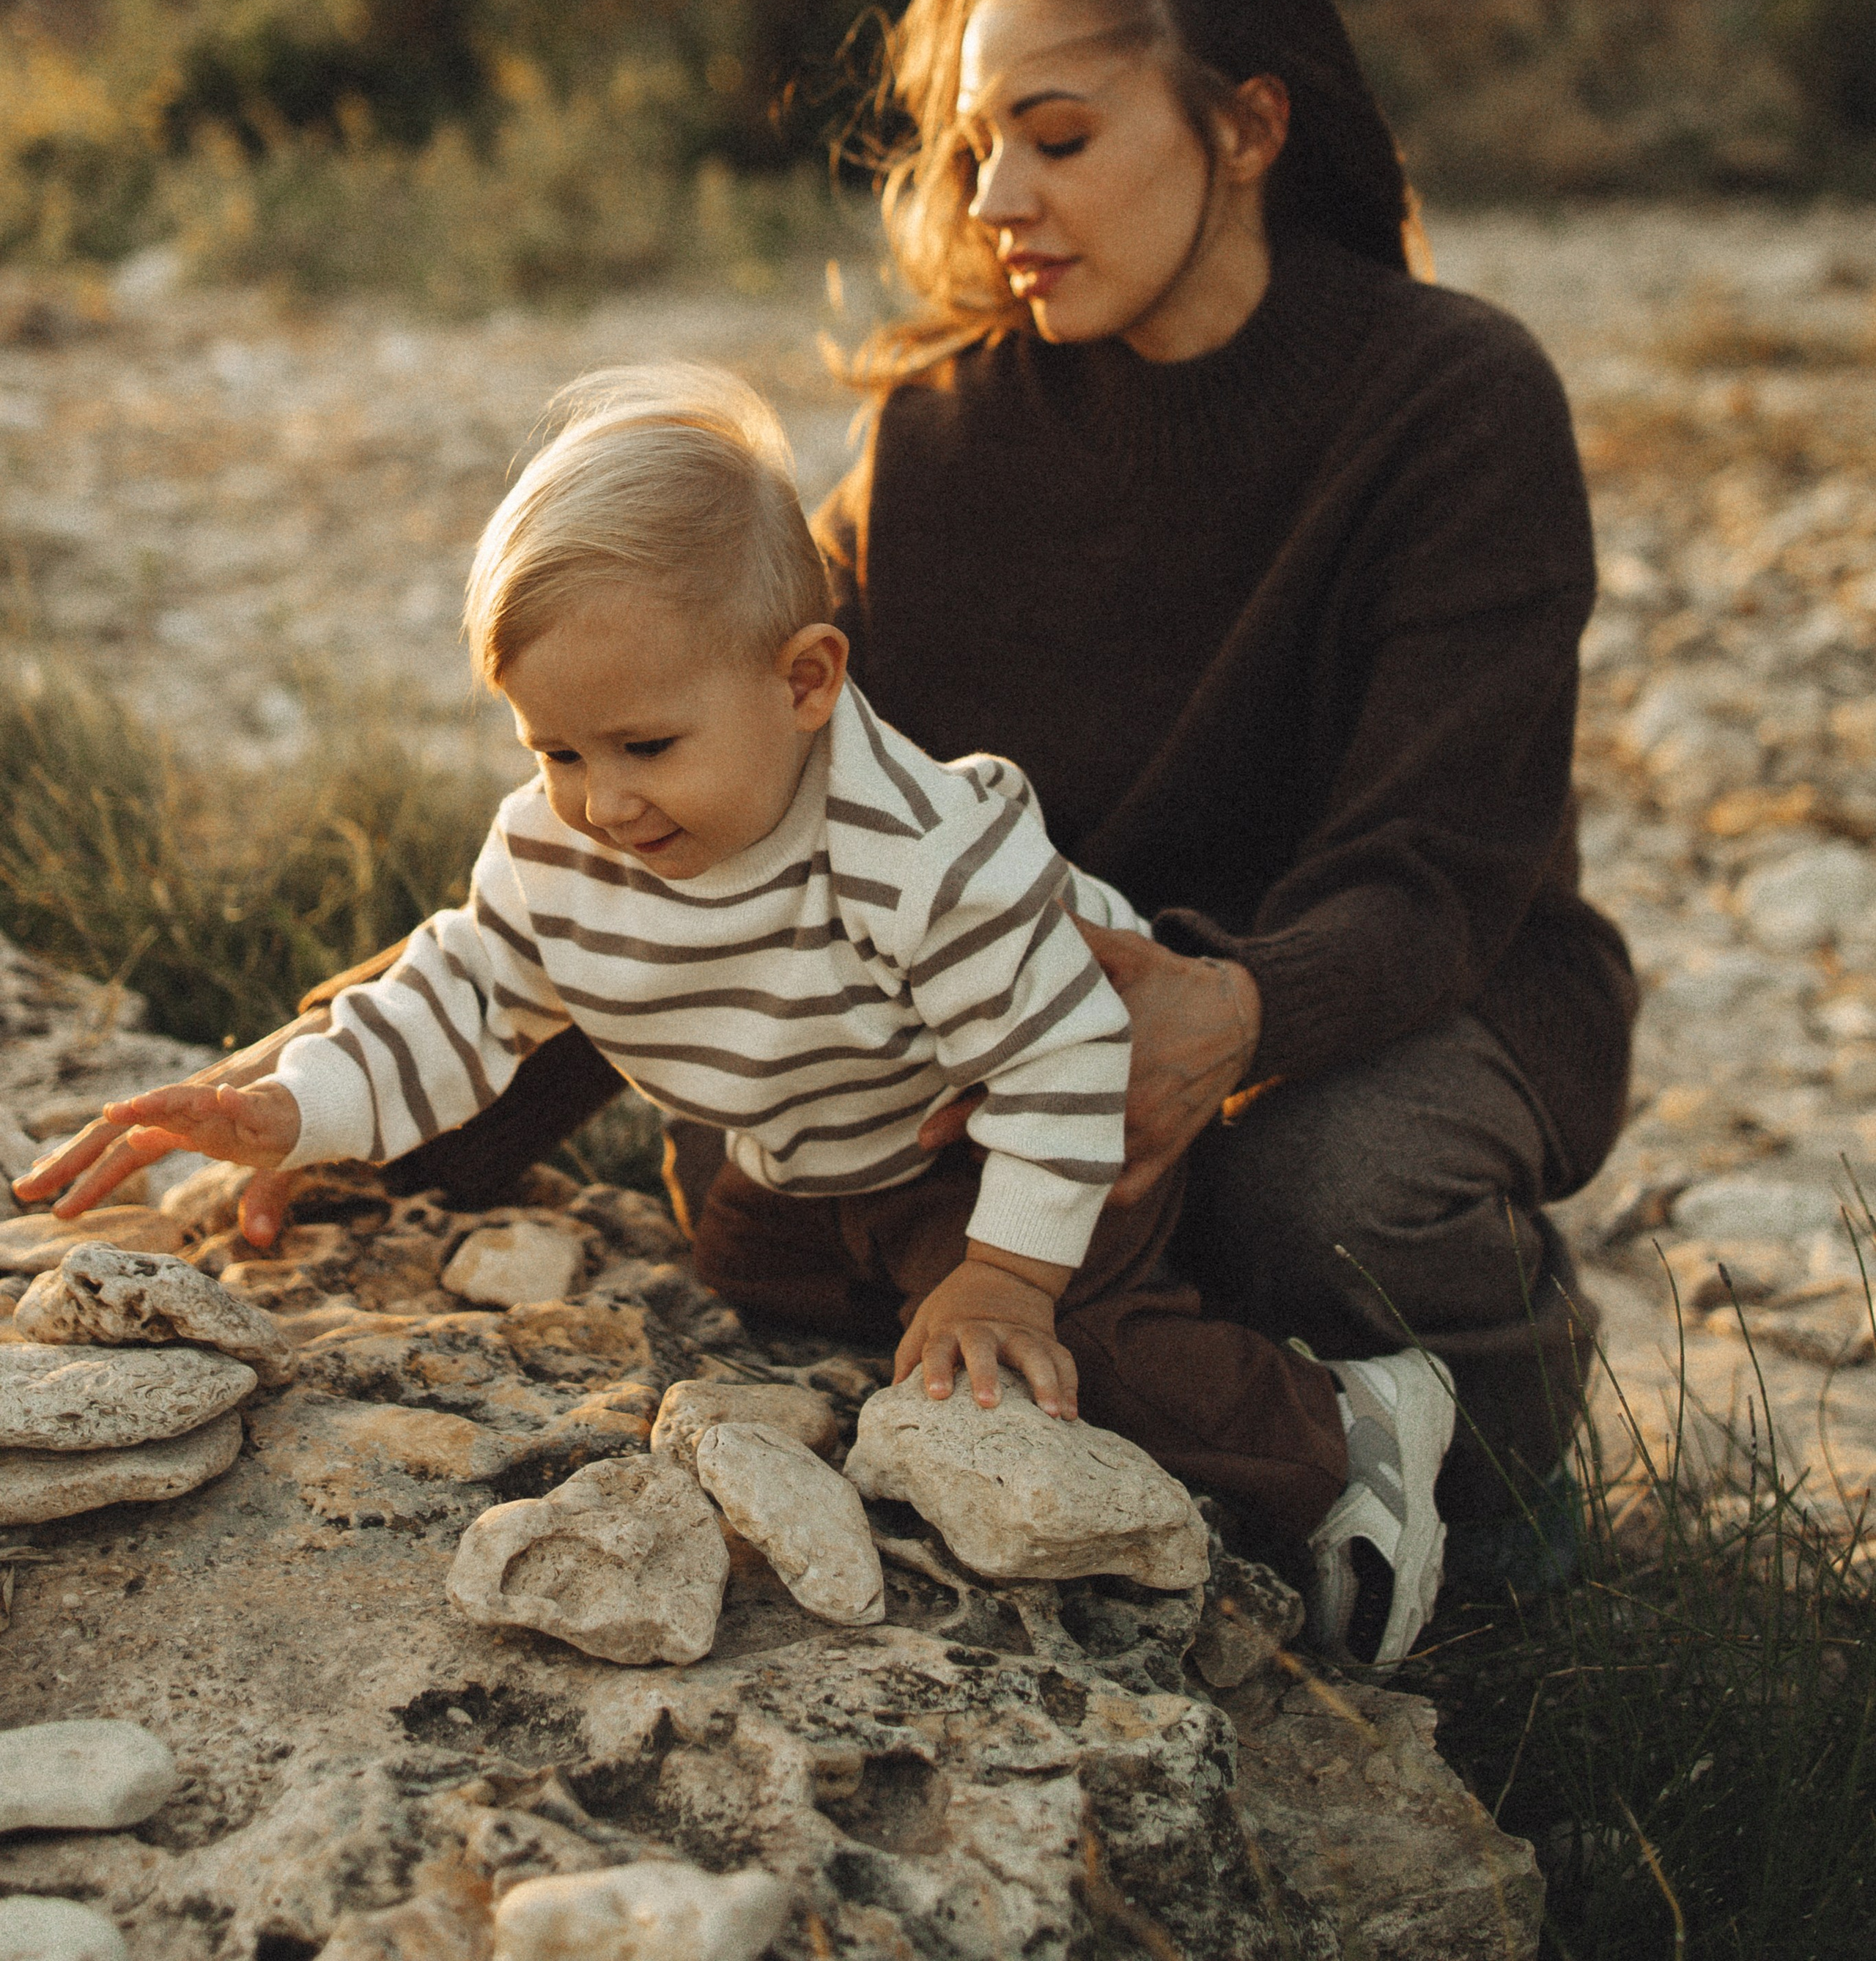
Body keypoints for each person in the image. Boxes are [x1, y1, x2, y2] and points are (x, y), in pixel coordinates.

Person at [256, 0, 1628, 1589]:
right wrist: (344, 1123)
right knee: (758, 1164)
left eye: (1057, 138)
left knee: (1314, 1194)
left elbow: (1438, 867)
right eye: (973, 145)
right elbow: (737, 820)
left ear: (1251, 125)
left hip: (1399, 980)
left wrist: (1240, 1009)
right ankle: (1226, 1428)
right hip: (1047, 987)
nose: (995, 195)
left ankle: (1505, 1475)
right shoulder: (939, 438)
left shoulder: (1456, 401)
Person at [24, 362, 1457, 1672]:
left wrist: (1004, 1277)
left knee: (1077, 1343)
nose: (601, 801)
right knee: (751, 1278)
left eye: (645, 746)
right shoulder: (561, 843)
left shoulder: (918, 850)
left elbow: (1068, 1044)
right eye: (554, 748)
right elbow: (466, 996)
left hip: (1018, 1131)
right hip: (809, 1150)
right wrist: (291, 1107)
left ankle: (1343, 1432)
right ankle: (910, 1286)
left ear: (803, 684)